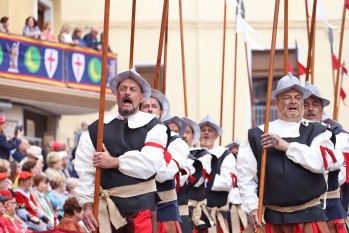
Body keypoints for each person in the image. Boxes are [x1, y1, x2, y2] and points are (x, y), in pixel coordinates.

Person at [237, 72, 339, 233]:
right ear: (277, 103)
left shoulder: (319, 131)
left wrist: (286, 146)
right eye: (287, 97)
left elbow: (320, 163)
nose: (293, 101)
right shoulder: (258, 134)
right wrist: (251, 207)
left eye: (298, 98)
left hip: (310, 217)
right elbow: (246, 178)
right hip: (271, 219)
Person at [75, 69, 168, 232]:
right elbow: (86, 172)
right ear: (117, 94)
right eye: (123, 88)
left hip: (141, 210)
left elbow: (150, 164)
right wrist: (88, 205)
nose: (127, 93)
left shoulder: (155, 126)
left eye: (133, 90)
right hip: (106, 209)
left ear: (141, 97)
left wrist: (114, 162)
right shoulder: (96, 129)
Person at [140, 89, 189, 232]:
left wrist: (137, 165)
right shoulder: (129, 135)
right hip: (134, 210)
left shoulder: (176, 142)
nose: (150, 109)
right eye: (145, 106)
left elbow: (165, 173)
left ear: (161, 113)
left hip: (163, 211)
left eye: (154, 106)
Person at [303, 81, 348, 232]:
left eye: (315, 104)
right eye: (305, 104)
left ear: (322, 110)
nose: (310, 109)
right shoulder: (290, 136)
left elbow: (342, 175)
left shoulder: (339, 136)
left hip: (331, 205)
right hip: (298, 211)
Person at [198, 115, 236, 233]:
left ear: (216, 135)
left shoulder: (225, 154)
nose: (206, 133)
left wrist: (200, 179)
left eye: (210, 130)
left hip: (217, 215)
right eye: (203, 130)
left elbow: (227, 183)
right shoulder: (192, 153)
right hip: (195, 215)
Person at [182, 116, 214, 233]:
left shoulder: (203, 154)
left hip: (194, 211)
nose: (184, 135)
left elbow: (196, 180)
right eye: (180, 131)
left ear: (193, 136)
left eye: (187, 132)